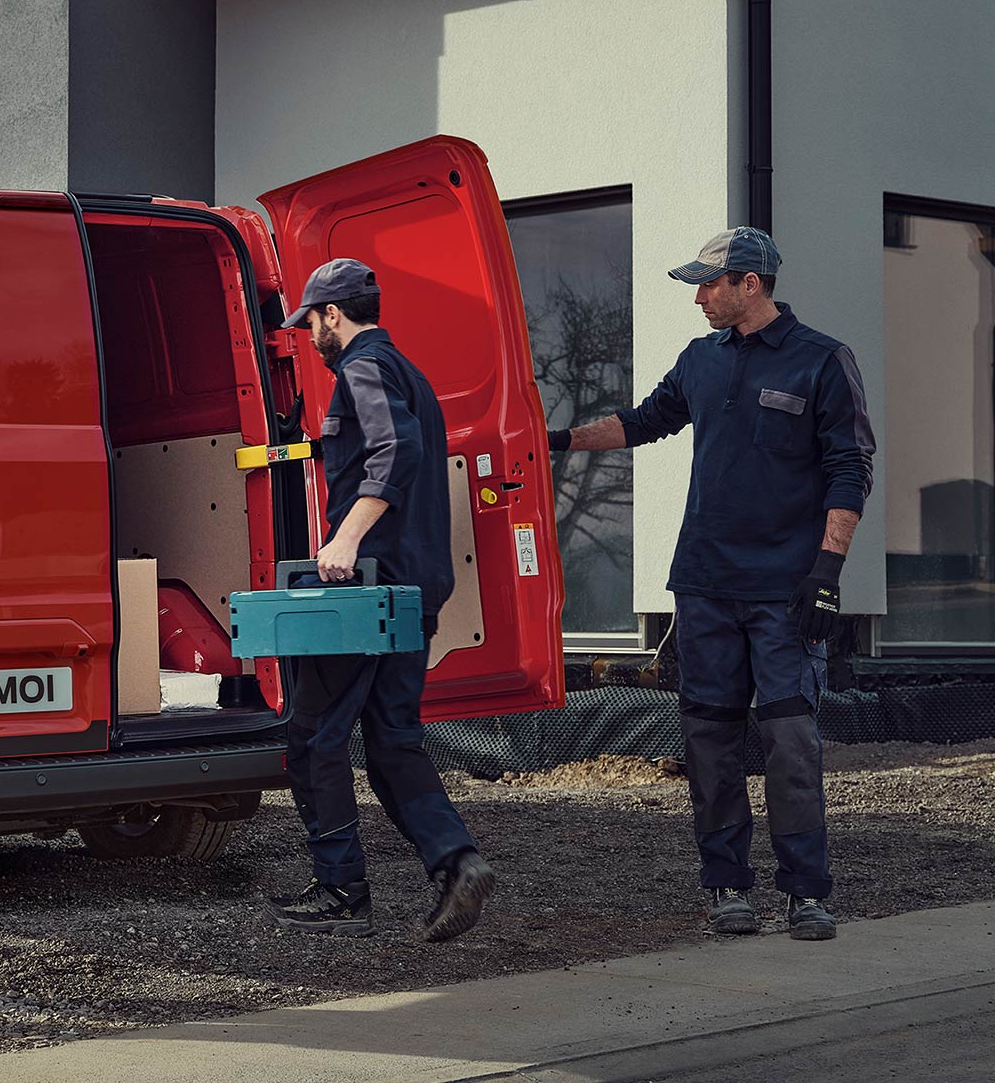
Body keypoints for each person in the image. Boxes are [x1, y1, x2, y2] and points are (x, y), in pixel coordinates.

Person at [550, 227, 873, 942]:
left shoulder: (821, 360)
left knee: (791, 741)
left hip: (785, 593)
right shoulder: (700, 361)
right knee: (711, 742)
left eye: (709, 283)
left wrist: (826, 572)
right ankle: (727, 884)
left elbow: (851, 467)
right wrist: (553, 439)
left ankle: (806, 892)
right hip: (704, 586)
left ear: (749, 283)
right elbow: (640, 423)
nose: (698, 296)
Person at [267, 257, 495, 942]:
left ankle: (341, 892)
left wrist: (344, 537)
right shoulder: (410, 373)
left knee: (313, 738)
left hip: (365, 592)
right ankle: (458, 862)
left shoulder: (362, 368)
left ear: (332, 314)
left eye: (309, 321)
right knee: (393, 740)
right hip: (413, 591)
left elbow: (395, 451)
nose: (308, 335)